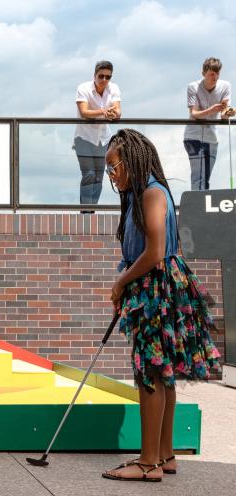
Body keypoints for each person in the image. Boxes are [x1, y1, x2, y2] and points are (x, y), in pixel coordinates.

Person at [101, 129, 221, 483]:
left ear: (132, 160)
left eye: (114, 166)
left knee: (150, 373)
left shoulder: (153, 193)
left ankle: (149, 461)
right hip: (156, 287)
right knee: (161, 372)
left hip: (156, 289)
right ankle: (165, 454)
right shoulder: (148, 193)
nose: (112, 175)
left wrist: (121, 282)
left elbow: (154, 253)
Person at [74, 60, 122, 210]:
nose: (104, 80)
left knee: (99, 176)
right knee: (88, 174)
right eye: (101, 76)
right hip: (84, 137)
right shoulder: (83, 88)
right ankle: (86, 212)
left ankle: (91, 211)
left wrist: (114, 113)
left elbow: (118, 111)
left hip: (103, 139)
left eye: (108, 77)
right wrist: (103, 111)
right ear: (94, 75)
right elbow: (84, 112)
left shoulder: (113, 88)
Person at [183, 57, 235, 191]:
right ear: (204, 73)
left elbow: (224, 114)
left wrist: (230, 112)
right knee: (198, 177)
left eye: (218, 73)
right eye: (212, 73)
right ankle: (197, 209)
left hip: (212, 138)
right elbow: (194, 113)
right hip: (193, 136)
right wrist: (211, 110)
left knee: (205, 179)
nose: (215, 76)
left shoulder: (225, 86)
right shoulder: (193, 87)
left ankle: (203, 209)